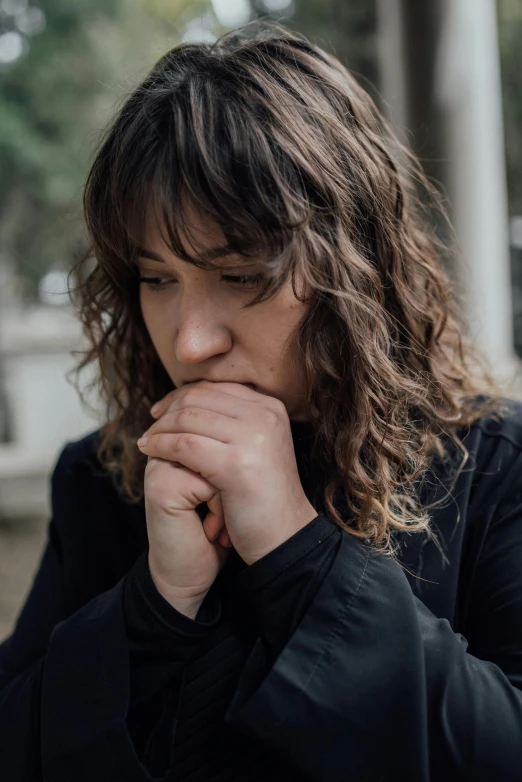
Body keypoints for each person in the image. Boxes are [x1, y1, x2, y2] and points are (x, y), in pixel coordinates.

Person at [1, 19, 522, 782]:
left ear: (355, 269)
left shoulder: (492, 467)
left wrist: (296, 554)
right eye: (157, 279)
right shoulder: (105, 476)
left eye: (241, 275)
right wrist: (151, 608)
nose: (188, 343)